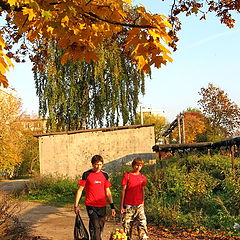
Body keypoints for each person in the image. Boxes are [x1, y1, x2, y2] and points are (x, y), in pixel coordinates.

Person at [74, 155, 116, 240]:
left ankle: (94, 237)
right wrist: (76, 205)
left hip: (102, 205)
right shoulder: (86, 174)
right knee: (96, 226)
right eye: (96, 164)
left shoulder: (105, 175)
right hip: (91, 204)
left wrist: (112, 207)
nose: (98, 166)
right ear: (92, 164)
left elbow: (108, 192)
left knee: (100, 226)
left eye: (100, 164)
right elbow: (80, 190)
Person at [120, 157, 148, 240]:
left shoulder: (143, 177)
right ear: (133, 165)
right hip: (128, 205)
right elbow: (123, 191)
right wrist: (122, 206)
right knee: (127, 226)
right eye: (137, 165)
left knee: (143, 224)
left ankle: (143, 238)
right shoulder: (127, 176)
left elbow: (142, 190)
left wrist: (143, 203)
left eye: (140, 166)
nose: (138, 167)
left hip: (139, 205)